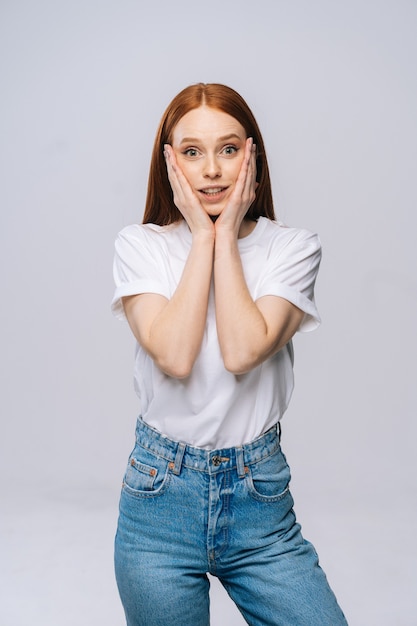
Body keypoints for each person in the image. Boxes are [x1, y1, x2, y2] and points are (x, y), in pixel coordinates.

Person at [111, 83, 348, 626]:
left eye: (228, 149)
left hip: (257, 500)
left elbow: (243, 350)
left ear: (252, 157)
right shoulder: (140, 246)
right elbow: (174, 354)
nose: (212, 170)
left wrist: (222, 239)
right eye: (192, 152)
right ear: (169, 164)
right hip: (159, 501)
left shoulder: (292, 247)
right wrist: (203, 237)